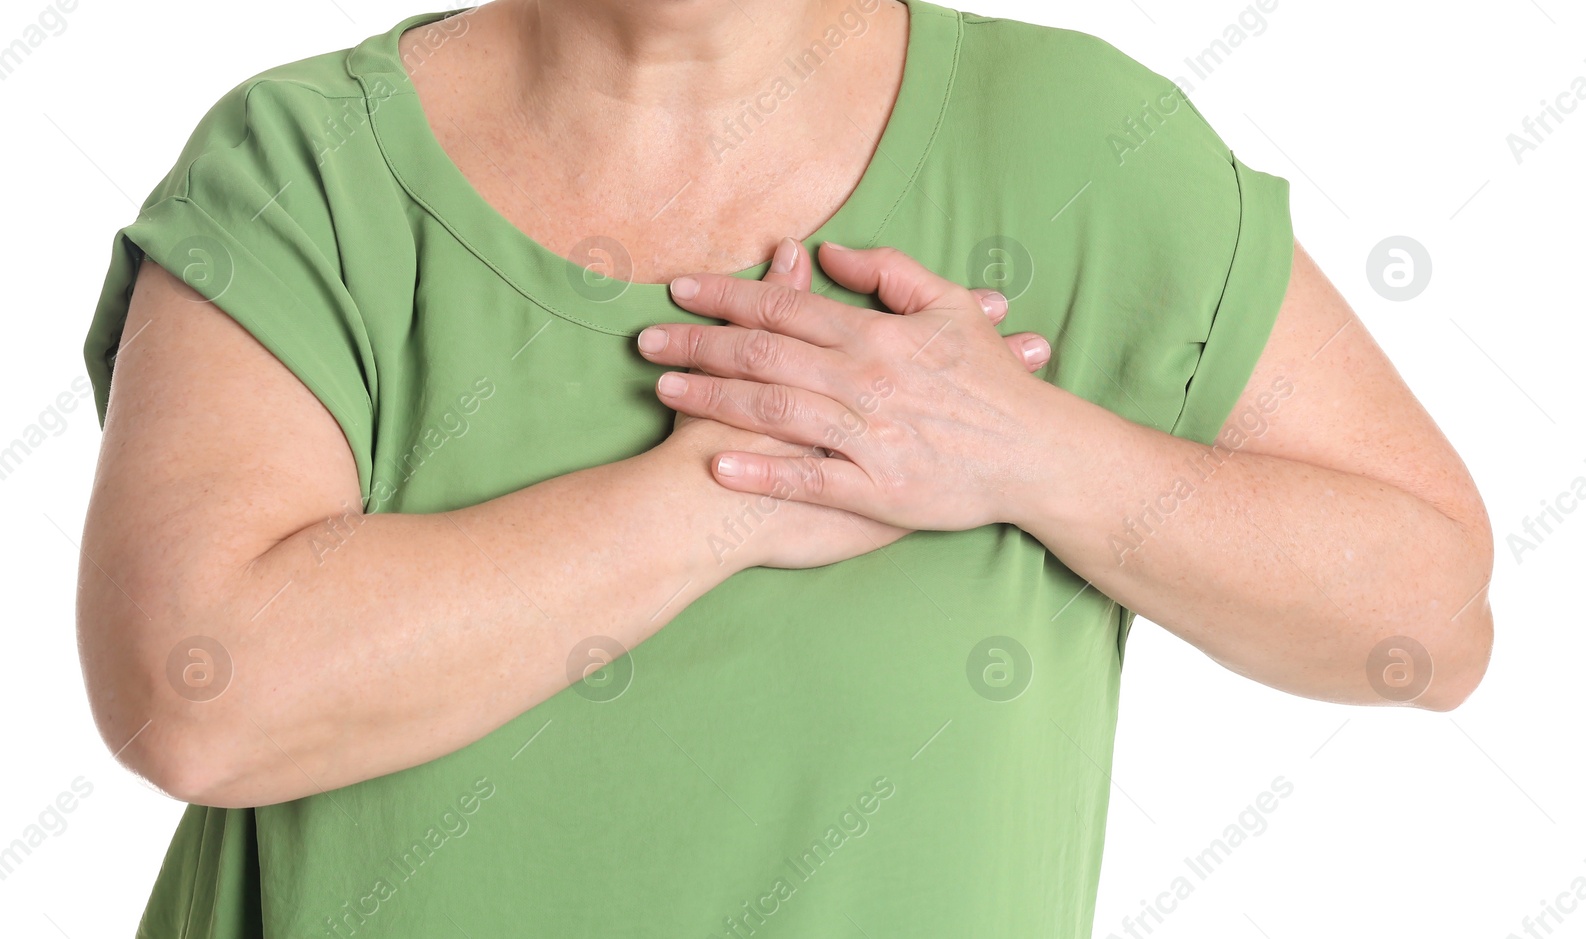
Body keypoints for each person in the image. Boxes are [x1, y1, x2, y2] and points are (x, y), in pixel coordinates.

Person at [77, 1, 1494, 936]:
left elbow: (1427, 624)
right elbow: (196, 698)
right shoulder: (309, 165)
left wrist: (1028, 451)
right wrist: (727, 492)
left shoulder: (1083, 149)